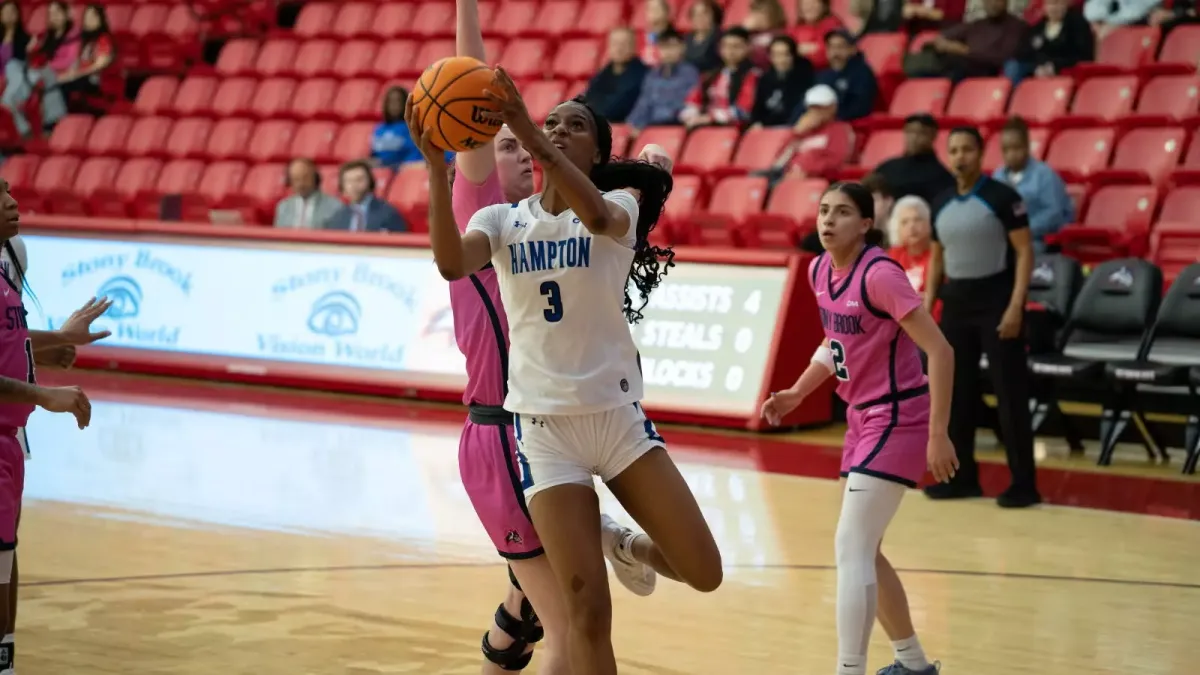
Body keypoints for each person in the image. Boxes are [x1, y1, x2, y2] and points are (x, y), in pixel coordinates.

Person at [412, 69, 722, 675]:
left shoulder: (620, 207)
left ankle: (622, 543)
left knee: (703, 570)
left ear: (598, 154)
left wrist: (527, 129)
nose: (556, 130)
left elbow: (598, 218)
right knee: (586, 617)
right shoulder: (501, 221)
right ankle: (604, 541)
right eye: (549, 122)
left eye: (574, 125)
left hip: (617, 423)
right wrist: (432, 165)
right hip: (545, 434)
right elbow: (450, 264)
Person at [444, 1, 679, 672]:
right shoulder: (483, 213)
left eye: (525, 146)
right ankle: (609, 536)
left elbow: (602, 206)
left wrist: (647, 176)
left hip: (555, 426)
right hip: (502, 436)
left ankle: (603, 537)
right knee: (572, 632)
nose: (521, 152)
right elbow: (469, 85)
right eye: (504, 147)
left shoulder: (552, 221)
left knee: (527, 618)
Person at [761, 181, 956, 675]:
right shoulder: (819, 269)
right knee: (865, 549)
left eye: (843, 212)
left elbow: (940, 350)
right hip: (861, 418)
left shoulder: (881, 275)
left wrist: (938, 433)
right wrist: (797, 392)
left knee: (851, 546)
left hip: (898, 415)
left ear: (866, 224)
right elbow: (835, 345)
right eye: (824, 210)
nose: (828, 220)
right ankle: (913, 664)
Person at [0, 177, 115, 675]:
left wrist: (49, 345)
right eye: (0, 194)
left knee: (6, 545)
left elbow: (10, 336)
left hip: (10, 424)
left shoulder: (14, 252)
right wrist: (43, 392)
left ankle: (5, 653)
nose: (13, 201)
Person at [924, 126, 1041, 509]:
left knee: (1009, 394)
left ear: (980, 153)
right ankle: (961, 479)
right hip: (956, 304)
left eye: (967, 150)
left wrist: (1016, 305)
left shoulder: (1003, 197)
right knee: (956, 394)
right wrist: (927, 305)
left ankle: (1024, 483)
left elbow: (1024, 252)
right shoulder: (940, 201)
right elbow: (937, 258)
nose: (960, 157)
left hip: (997, 302)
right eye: (954, 150)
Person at [992, 116, 1073, 252]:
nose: (1011, 154)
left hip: (1036, 241)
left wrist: (1023, 230)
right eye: (1006, 150)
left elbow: (1054, 214)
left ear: (1027, 146)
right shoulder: (998, 176)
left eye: (1016, 148)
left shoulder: (1045, 175)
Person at [326, 160, 407, 232]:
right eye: (349, 181)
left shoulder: (388, 213)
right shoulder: (337, 217)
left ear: (370, 182)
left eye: (359, 180)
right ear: (342, 187)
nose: (354, 185)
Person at [273, 158, 342, 229]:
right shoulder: (283, 206)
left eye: (305, 177)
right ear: (289, 181)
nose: (301, 183)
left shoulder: (335, 206)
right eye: (296, 179)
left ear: (315, 178)